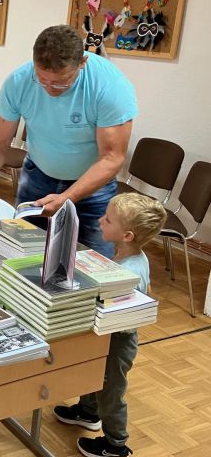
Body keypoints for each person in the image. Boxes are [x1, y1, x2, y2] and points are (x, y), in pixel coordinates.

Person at [0, 24, 137, 258]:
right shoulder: (19, 81)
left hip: (92, 189)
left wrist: (67, 197)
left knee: (93, 262)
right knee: (23, 254)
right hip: (38, 177)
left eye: (61, 82)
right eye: (42, 79)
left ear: (82, 63)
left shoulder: (110, 87)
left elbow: (112, 157)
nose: (50, 88)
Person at [53, 193, 167, 457]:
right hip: (109, 335)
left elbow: (131, 311)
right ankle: (88, 412)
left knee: (110, 390)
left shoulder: (129, 272)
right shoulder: (132, 258)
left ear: (127, 235)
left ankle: (116, 444)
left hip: (118, 342)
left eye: (108, 219)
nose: (100, 221)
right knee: (93, 372)